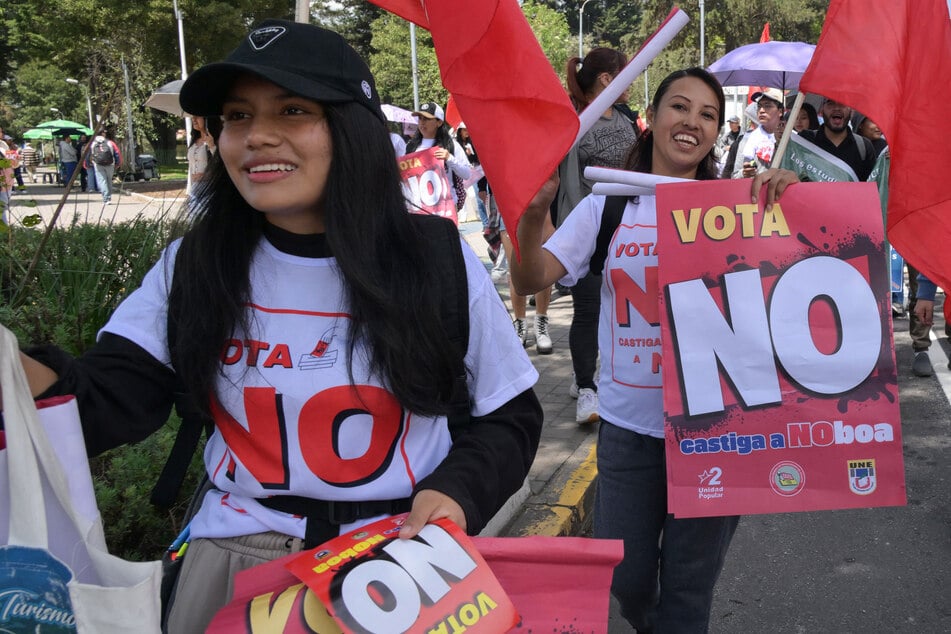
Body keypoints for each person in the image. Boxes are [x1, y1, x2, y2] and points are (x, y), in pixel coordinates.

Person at [10, 20, 542, 632]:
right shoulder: (195, 263)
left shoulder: (434, 257)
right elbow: (113, 396)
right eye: (237, 116)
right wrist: (21, 371)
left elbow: (510, 416)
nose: (256, 137)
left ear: (351, 130)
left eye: (292, 110)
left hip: (402, 562)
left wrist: (457, 494)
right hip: (233, 561)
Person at [510, 67, 800, 633]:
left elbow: (800, 268)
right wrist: (528, 218)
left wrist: (791, 199)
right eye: (679, 107)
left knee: (689, 591)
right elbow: (527, 279)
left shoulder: (738, 207)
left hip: (717, 430)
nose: (692, 122)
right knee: (630, 580)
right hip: (628, 432)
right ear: (654, 118)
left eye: (708, 115)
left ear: (718, 132)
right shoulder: (609, 206)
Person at [559, 47, 640, 424]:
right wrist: (577, 239)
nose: (633, 80)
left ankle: (598, 377)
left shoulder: (624, 120)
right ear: (608, 79)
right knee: (588, 311)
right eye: (627, 73)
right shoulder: (577, 122)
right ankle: (586, 389)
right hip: (591, 231)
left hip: (627, 231)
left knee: (616, 312)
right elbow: (570, 185)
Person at [405, 101, 472, 210]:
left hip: (446, 209)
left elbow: (467, 174)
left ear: (439, 122)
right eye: (420, 118)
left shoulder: (451, 145)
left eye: (426, 119)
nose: (422, 122)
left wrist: (449, 158)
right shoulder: (410, 147)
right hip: (420, 210)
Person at [798, 96, 876, 181]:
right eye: (830, 103)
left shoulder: (864, 147)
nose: (837, 108)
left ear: (851, 111)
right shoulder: (805, 140)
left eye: (842, 103)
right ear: (822, 110)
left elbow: (873, 187)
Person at [724, 87, 784, 179]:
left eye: (767, 106)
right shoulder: (748, 140)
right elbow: (734, 176)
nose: (761, 110)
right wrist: (744, 173)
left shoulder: (788, 140)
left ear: (780, 111)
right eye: (759, 106)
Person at [86, 131, 121, 204]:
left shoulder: (92, 144)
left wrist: (87, 163)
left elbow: (88, 154)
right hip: (110, 164)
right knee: (109, 180)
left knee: (102, 181)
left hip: (98, 165)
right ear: (103, 135)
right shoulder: (110, 143)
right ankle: (108, 197)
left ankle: (106, 198)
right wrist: (118, 163)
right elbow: (117, 153)